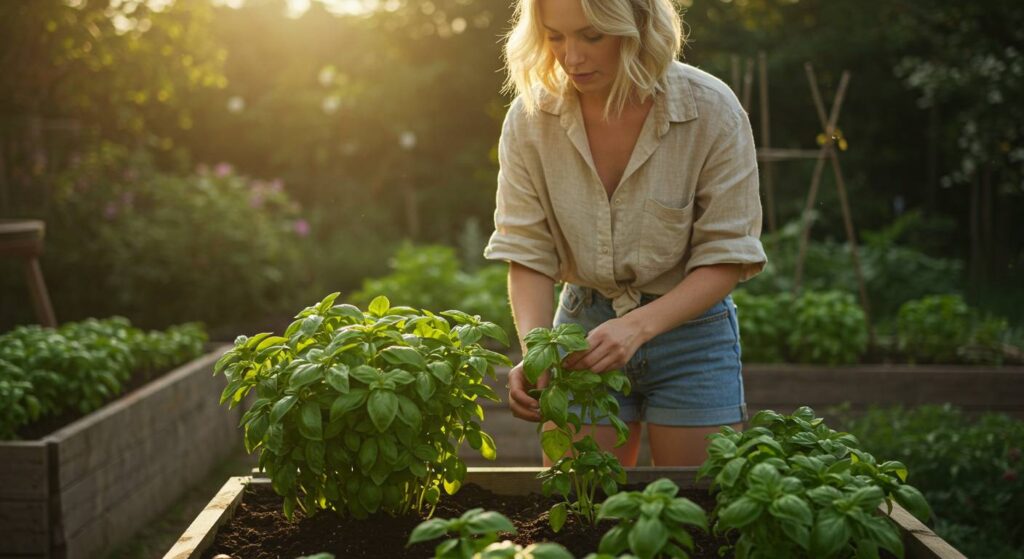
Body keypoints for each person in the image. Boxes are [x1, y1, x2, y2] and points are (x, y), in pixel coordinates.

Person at [483, 0, 768, 467]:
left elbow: (726, 257)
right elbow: (527, 252)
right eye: (555, 36)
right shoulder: (531, 118)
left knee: (695, 514)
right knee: (581, 513)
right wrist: (539, 354)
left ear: (638, 27)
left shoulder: (711, 110)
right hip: (581, 333)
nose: (570, 57)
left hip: (691, 337)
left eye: (592, 37)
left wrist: (636, 328)